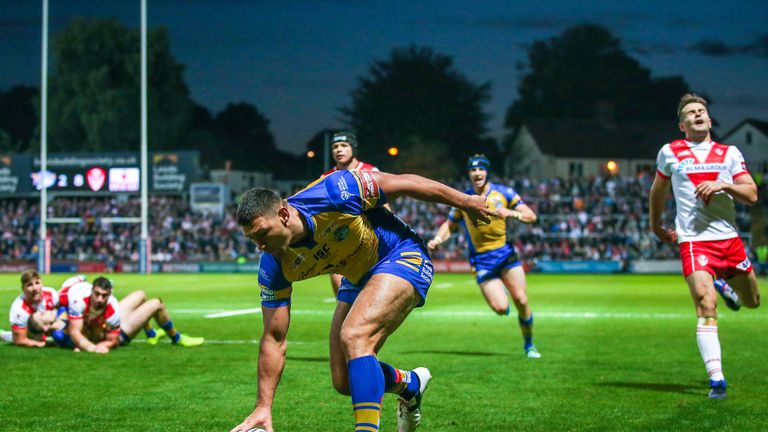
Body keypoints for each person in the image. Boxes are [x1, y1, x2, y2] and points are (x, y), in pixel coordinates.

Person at [230, 170, 494, 432]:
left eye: (262, 234)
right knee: (344, 380)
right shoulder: (273, 266)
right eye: (252, 239)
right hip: (357, 278)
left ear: (284, 215)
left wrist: (466, 201)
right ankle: (410, 384)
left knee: (355, 335)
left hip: (401, 255)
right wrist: (263, 407)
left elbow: (405, 183)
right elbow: (274, 338)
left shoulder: (334, 191)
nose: (259, 245)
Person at [649, 93, 761, 399]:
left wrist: (724, 184)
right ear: (682, 124)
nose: (697, 114)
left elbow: (751, 195)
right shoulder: (670, 152)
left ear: (709, 120)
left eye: (701, 111)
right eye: (691, 113)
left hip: (729, 241)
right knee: (704, 304)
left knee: (752, 301)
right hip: (694, 242)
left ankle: (727, 287)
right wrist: (655, 225)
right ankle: (717, 380)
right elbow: (657, 190)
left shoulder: (729, 153)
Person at [427, 154, 541, 358]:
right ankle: (501, 296)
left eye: (480, 169)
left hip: (506, 254)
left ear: (487, 172)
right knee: (500, 308)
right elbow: (449, 225)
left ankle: (529, 345)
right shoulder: (464, 200)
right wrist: (437, 239)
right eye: (472, 170)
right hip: (482, 261)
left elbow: (531, 216)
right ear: (469, 174)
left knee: (522, 300)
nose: (477, 173)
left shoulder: (504, 193)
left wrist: (512, 213)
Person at [63, 276, 204, 353]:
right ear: (91, 290)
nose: (100, 299)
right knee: (156, 304)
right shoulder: (78, 300)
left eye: (104, 296)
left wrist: (103, 345)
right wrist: (92, 347)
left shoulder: (112, 308)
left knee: (141, 294)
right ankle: (176, 338)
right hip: (111, 333)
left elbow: (113, 340)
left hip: (115, 331)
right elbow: (74, 331)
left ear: (109, 294)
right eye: (97, 294)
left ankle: (152, 334)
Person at [322, 131, 383, 297]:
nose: (338, 150)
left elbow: (385, 207)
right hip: (339, 243)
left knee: (369, 299)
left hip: (370, 244)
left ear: (353, 148)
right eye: (335, 147)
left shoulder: (370, 172)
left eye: (344, 145)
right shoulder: (326, 178)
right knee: (343, 297)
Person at [5, 269, 64, 348]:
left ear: (42, 284)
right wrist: (41, 344)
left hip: (46, 327)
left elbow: (62, 311)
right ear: (23, 288)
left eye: (37, 283)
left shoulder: (51, 294)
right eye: (29, 285)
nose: (35, 288)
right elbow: (19, 340)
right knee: (23, 336)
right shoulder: (19, 309)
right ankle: (5, 335)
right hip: (30, 332)